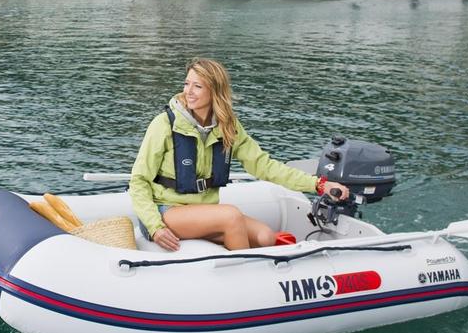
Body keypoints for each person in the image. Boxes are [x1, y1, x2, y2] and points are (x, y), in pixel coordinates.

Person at [129, 58, 349, 251]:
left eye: (197, 86)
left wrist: (318, 185)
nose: (189, 91)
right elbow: (139, 181)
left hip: (204, 211)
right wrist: (155, 227)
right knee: (231, 216)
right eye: (187, 84)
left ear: (214, 91)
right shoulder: (164, 124)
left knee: (265, 237)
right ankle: (250, 282)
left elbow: (264, 166)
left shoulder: (228, 127)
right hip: (166, 211)